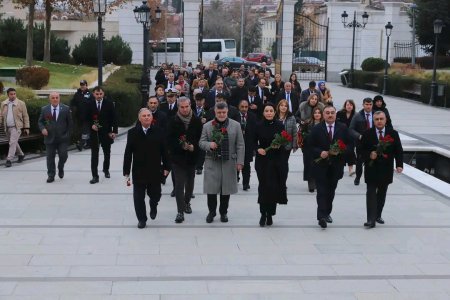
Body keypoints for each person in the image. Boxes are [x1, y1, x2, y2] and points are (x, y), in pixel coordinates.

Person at [123, 108, 170, 229]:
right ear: (139, 118)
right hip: (139, 171)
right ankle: (142, 219)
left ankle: (153, 206)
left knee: (156, 195)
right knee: (138, 197)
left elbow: (164, 151)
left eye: (148, 115)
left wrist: (166, 166)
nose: (146, 117)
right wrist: (126, 171)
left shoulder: (159, 131)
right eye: (144, 116)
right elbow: (128, 153)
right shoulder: (132, 133)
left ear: (152, 117)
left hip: (155, 170)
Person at [199, 102, 245, 223]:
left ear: (227, 112)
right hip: (212, 161)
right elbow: (201, 142)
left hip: (229, 162)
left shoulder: (235, 125)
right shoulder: (207, 126)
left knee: (226, 190)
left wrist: (240, 161)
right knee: (211, 190)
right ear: (215, 112)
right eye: (219, 112)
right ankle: (211, 211)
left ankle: (223, 212)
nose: (221, 114)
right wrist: (210, 145)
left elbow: (240, 144)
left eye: (223, 112)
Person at [310, 105, 352, 229]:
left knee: (330, 192)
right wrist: (319, 152)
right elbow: (310, 146)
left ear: (335, 114)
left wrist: (341, 151)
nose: (330, 115)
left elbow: (350, 145)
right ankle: (321, 216)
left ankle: (327, 212)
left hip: (336, 166)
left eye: (332, 113)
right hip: (320, 166)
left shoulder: (343, 128)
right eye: (327, 113)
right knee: (321, 191)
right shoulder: (317, 129)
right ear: (323, 115)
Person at [361, 111, 403, 228]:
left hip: (386, 169)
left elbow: (398, 150)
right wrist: (369, 154)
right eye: (377, 119)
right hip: (371, 169)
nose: (379, 121)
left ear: (385, 120)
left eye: (381, 119)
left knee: (381, 194)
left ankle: (378, 214)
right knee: (370, 193)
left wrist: (399, 165)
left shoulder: (393, 133)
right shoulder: (367, 133)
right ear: (373, 121)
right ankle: (371, 219)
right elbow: (360, 150)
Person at [167, 97, 203, 223]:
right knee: (179, 184)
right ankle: (180, 211)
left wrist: (194, 146)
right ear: (178, 107)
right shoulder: (172, 121)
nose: (184, 109)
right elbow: (169, 140)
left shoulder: (197, 121)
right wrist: (180, 146)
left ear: (190, 105)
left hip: (192, 158)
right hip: (177, 158)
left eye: (186, 106)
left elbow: (200, 139)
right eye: (181, 107)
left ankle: (187, 202)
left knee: (190, 184)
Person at [254, 103, 288, 227]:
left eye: (271, 111)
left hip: (276, 161)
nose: (269, 113)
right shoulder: (258, 125)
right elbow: (252, 142)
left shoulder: (280, 126)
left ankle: (270, 214)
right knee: (263, 187)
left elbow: (285, 143)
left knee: (273, 187)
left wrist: (279, 146)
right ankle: (263, 213)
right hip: (262, 160)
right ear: (263, 113)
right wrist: (258, 149)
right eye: (266, 111)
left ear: (275, 112)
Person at [37, 92, 73, 183]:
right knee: (50, 158)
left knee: (63, 155)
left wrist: (68, 134)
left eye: (57, 97)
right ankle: (51, 175)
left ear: (59, 98)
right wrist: (43, 129)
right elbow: (40, 122)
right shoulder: (45, 109)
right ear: (50, 99)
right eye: (53, 98)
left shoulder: (65, 109)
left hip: (62, 138)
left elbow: (70, 123)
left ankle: (60, 167)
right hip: (49, 138)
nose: (55, 99)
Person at [88, 86, 118, 184]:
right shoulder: (89, 103)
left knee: (107, 153)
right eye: (97, 94)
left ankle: (106, 169)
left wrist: (114, 131)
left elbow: (114, 118)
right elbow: (84, 118)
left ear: (103, 94)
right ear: (93, 94)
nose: (99, 96)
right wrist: (91, 125)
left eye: (101, 94)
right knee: (94, 155)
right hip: (94, 133)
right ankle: (95, 176)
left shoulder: (109, 103)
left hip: (106, 132)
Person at [0, 88, 30, 168]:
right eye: (11, 94)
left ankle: (9, 160)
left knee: (12, 142)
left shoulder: (21, 103)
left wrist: (26, 127)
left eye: (14, 94)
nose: (13, 95)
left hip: (17, 127)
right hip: (7, 128)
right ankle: (21, 154)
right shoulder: (4, 103)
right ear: (8, 95)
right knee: (14, 142)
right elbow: (1, 115)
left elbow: (25, 116)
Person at [349, 97, 374, 186]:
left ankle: (370, 179)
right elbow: (351, 129)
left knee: (372, 162)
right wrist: (359, 136)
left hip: (373, 142)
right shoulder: (357, 116)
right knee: (360, 161)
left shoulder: (376, 115)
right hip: (361, 143)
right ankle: (358, 177)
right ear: (363, 105)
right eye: (366, 104)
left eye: (370, 104)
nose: (368, 106)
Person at [301, 106, 323, 192]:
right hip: (308, 149)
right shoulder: (308, 123)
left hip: (320, 149)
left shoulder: (324, 124)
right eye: (315, 113)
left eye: (318, 113)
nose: (317, 114)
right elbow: (303, 135)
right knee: (309, 166)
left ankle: (318, 182)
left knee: (319, 166)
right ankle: (311, 184)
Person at [237, 100, 257, 191]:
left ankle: (246, 183)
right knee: (235, 164)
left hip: (248, 145)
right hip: (236, 145)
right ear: (239, 107)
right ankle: (235, 179)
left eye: (246, 107)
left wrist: (254, 147)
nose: (244, 109)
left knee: (246, 165)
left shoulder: (252, 117)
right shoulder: (234, 116)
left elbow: (255, 132)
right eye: (242, 107)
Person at [70, 80, 92, 151]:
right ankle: (89, 144)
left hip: (87, 116)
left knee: (85, 131)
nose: (82, 86)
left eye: (84, 85)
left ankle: (81, 144)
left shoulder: (89, 94)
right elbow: (73, 102)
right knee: (84, 130)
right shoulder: (77, 94)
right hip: (79, 116)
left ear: (86, 85)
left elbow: (92, 104)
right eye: (81, 85)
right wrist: (71, 109)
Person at [336, 99, 356, 175]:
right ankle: (339, 168)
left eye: (351, 105)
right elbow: (336, 123)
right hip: (341, 135)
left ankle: (351, 169)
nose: (349, 106)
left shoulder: (355, 115)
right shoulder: (340, 113)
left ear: (353, 106)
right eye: (347, 105)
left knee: (350, 151)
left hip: (351, 136)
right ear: (345, 106)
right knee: (340, 151)